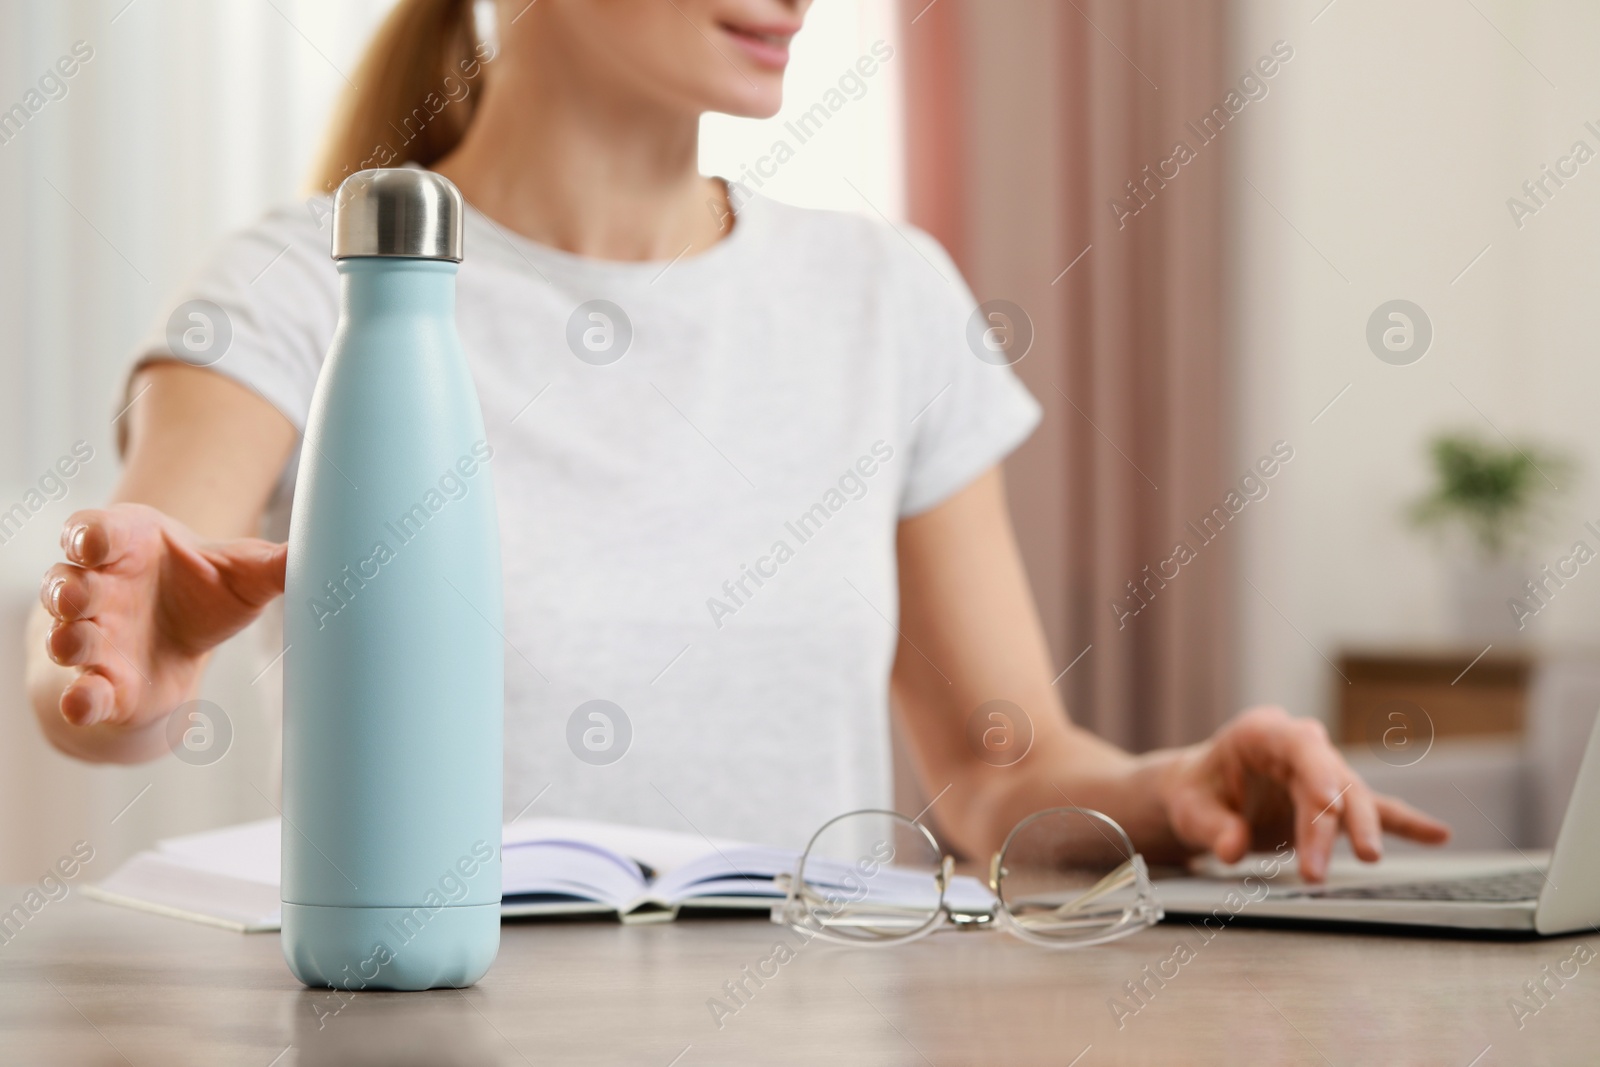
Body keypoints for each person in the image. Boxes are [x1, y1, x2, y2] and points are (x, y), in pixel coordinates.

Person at [25, 0, 1447, 881]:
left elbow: (999, 771)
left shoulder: (886, 299)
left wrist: (1169, 789)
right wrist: (134, 679)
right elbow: (146, 618)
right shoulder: (312, 283)